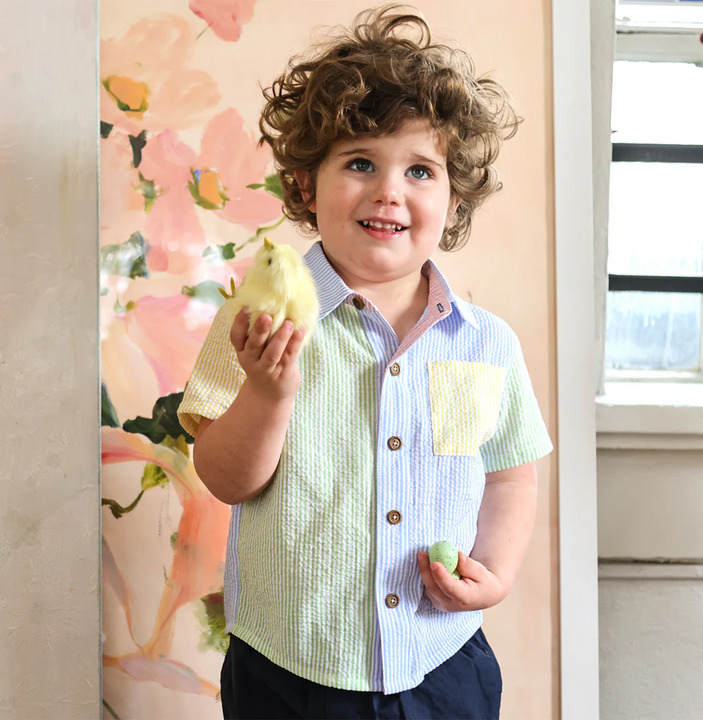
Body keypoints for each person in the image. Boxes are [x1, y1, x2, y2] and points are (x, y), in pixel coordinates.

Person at [178, 5, 553, 718]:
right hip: (289, 670)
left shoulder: (486, 342)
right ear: (304, 184)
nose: (389, 190)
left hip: (442, 659)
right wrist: (266, 391)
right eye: (359, 163)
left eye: (420, 169)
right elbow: (226, 479)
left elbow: (510, 473)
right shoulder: (257, 324)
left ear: (454, 197)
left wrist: (496, 574)